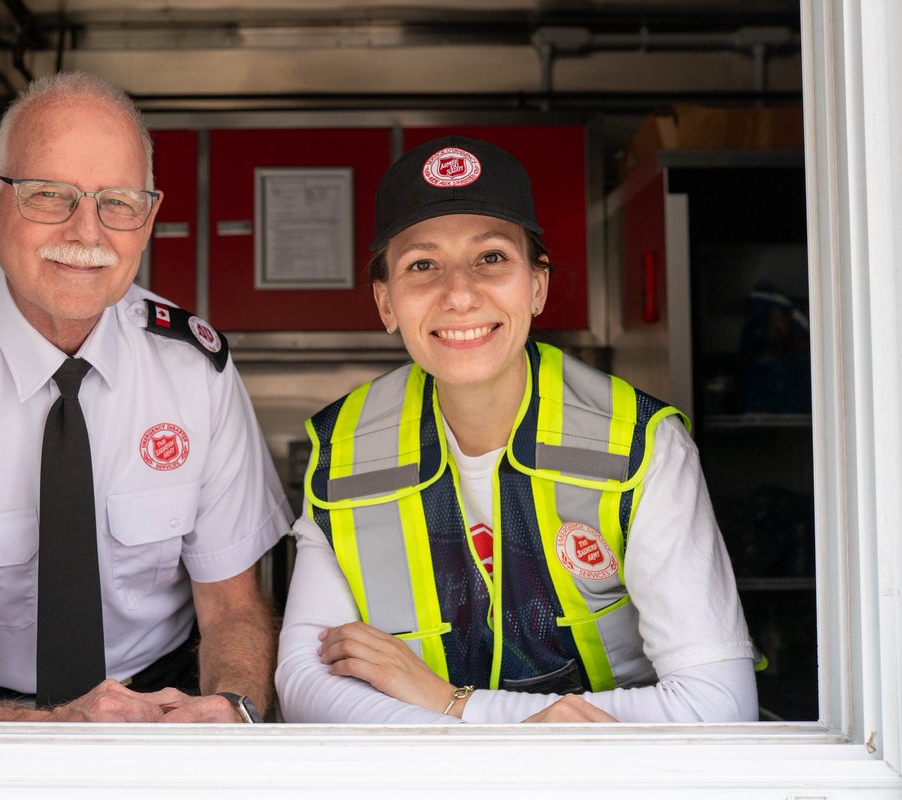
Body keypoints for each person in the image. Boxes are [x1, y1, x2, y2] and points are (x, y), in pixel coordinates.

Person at [0, 72, 289, 724]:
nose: (87, 232)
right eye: (50, 194)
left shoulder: (196, 371)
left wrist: (231, 706)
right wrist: (48, 733)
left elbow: (234, 609)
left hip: (168, 701)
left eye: (119, 202)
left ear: (149, 219)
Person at [276, 136, 758, 724]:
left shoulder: (639, 444)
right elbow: (306, 685)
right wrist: (509, 737)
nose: (459, 293)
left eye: (492, 258)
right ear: (385, 302)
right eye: (422, 265)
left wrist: (451, 704)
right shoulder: (344, 449)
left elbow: (719, 705)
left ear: (537, 285)